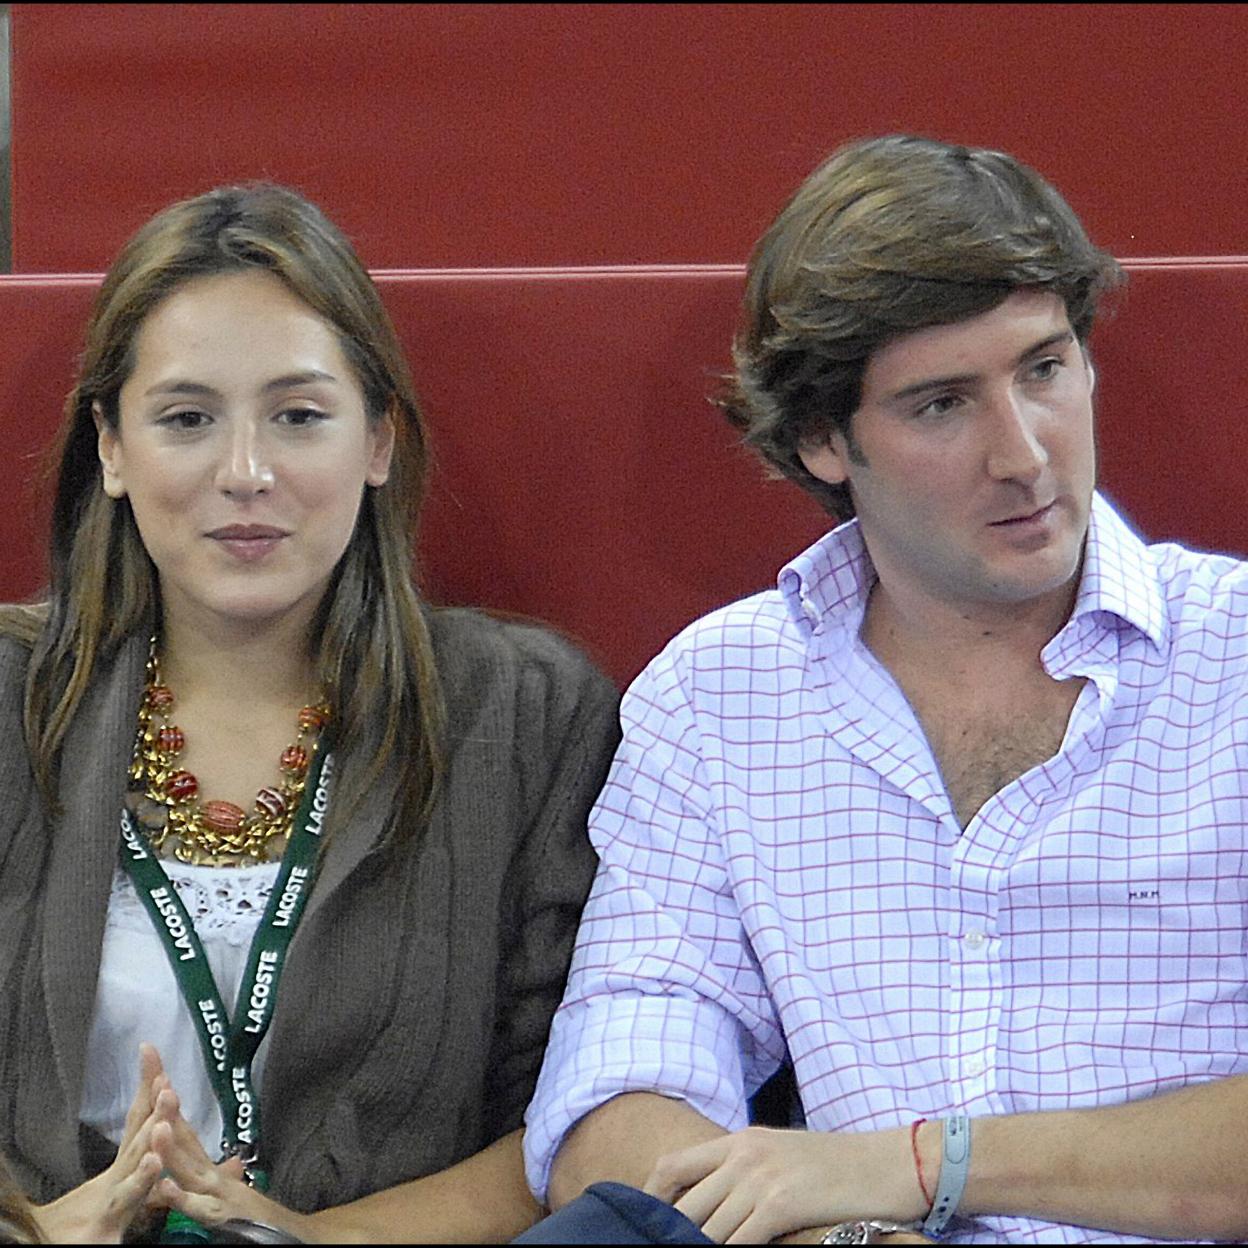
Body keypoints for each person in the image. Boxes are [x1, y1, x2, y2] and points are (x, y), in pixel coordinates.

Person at [521, 134, 1248, 1245]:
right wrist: (841, 1233)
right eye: (943, 405)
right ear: (823, 440)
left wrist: (918, 1166)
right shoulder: (719, 697)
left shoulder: (1232, 656)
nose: (1026, 455)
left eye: (1044, 370)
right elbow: (619, 1092)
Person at [0, 182, 620, 1242]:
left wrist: (321, 1237)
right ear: (110, 447)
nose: (246, 474)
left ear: (377, 441)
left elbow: (584, 1114)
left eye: (298, 416)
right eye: (188, 419)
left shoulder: (530, 715)